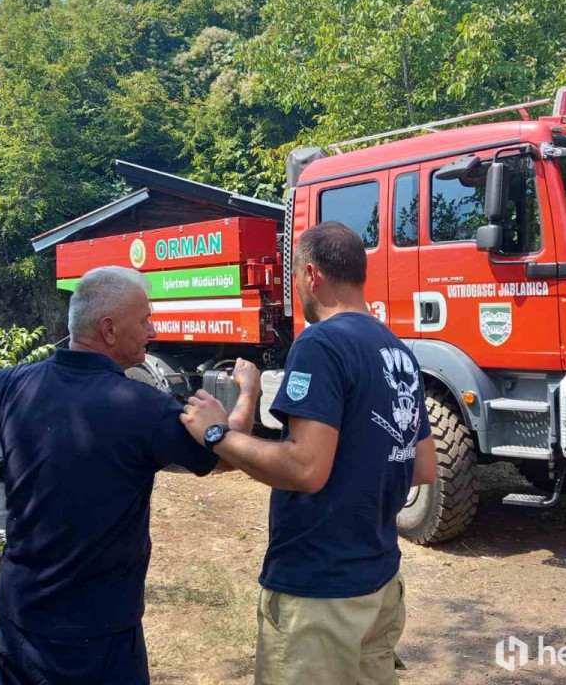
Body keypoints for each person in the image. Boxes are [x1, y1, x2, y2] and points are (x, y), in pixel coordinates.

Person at [0, 266, 260, 685]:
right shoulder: (142, 407)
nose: (153, 330)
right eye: (145, 320)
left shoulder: (11, 384)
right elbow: (230, 459)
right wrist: (248, 391)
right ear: (109, 329)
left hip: (20, 618)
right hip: (99, 629)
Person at [180, 221, 438, 685]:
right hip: (378, 584)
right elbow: (422, 465)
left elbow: (305, 468)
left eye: (295, 275)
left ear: (312, 275)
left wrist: (216, 432)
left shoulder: (320, 343)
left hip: (320, 593)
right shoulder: (398, 350)